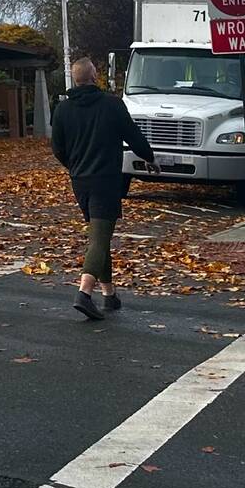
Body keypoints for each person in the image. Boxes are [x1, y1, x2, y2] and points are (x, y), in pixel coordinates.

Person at [50, 57, 154, 321]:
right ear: (94, 76)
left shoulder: (62, 110)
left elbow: (57, 148)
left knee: (100, 235)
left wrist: (73, 165)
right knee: (98, 239)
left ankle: (109, 294)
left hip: (80, 181)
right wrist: (149, 157)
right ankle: (84, 293)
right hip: (106, 180)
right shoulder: (111, 105)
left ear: (75, 79)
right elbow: (134, 137)